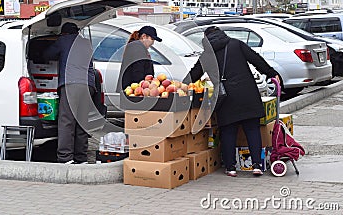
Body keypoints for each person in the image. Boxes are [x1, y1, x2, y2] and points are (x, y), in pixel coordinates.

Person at [183, 26, 280, 177]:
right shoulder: (236, 44)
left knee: (228, 131)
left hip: (225, 96)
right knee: (252, 129)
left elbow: (195, 73)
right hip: (247, 93)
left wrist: (181, 86)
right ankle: (257, 166)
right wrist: (272, 73)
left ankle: (231, 167)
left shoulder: (207, 55)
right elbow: (256, 60)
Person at [43, 22, 96, 164]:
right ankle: (81, 158)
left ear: (64, 33)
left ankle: (65, 158)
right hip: (88, 85)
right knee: (82, 122)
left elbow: (47, 54)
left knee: (67, 121)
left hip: (71, 84)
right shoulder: (86, 43)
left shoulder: (63, 41)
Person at [117, 25, 162, 91]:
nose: (152, 43)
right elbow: (138, 73)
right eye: (152, 39)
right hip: (133, 92)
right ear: (144, 36)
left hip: (130, 90)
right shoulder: (137, 49)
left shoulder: (136, 47)